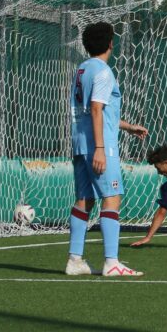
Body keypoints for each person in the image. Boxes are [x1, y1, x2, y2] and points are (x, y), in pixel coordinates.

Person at [67, 22, 148, 277]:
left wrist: (126, 126)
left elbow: (98, 110)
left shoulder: (82, 69)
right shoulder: (103, 71)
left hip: (80, 143)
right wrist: (101, 148)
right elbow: (95, 108)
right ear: (110, 43)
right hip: (99, 145)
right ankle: (112, 262)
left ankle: (75, 260)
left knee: (84, 200)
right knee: (112, 198)